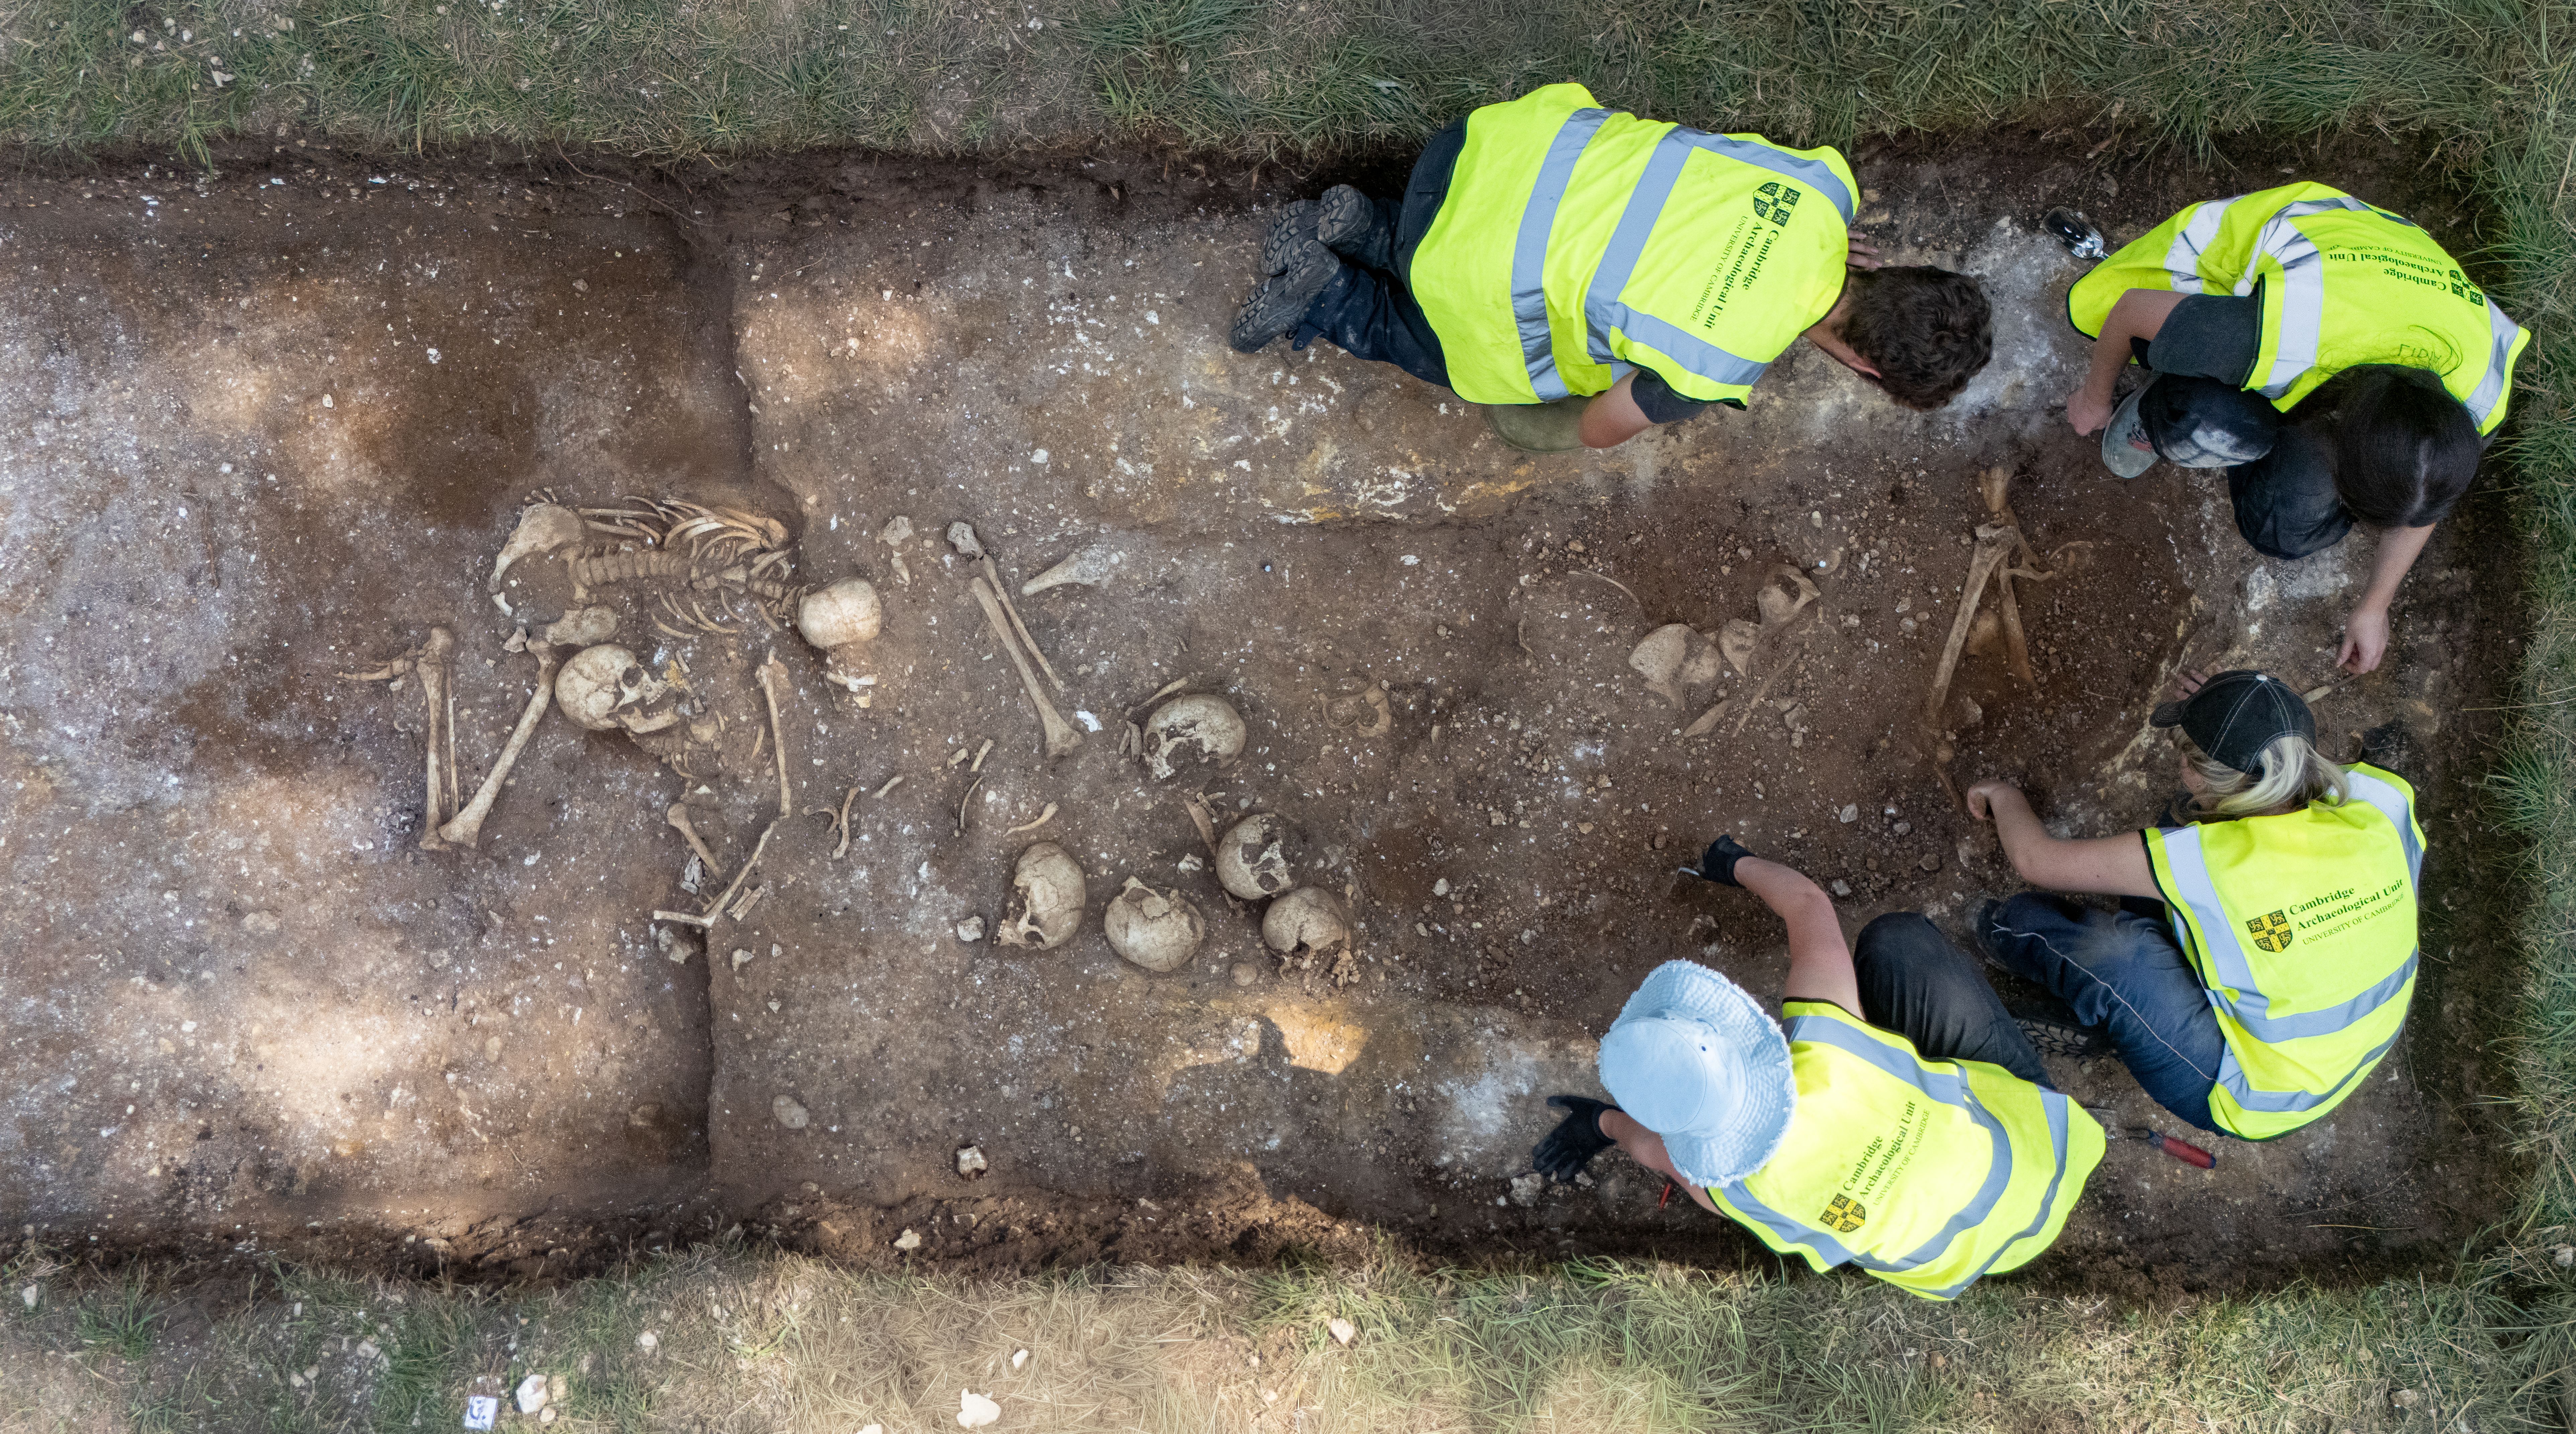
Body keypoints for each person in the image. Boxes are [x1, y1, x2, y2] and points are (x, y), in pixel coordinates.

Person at [1228, 83, 1993, 450]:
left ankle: (1369, 223)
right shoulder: (1714, 365)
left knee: (1539, 240)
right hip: (1461, 260)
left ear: (1896, 272)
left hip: (1480, 148)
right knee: (1510, 373)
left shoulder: (1827, 189)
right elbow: (1599, 428)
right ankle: (1331, 294)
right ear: (1863, 368)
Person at [1530, 836, 2102, 1300]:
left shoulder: (1734, 1190)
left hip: (1957, 1262)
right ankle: (2005, 1033)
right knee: (1896, 940)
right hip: (2041, 1149)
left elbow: (1652, 1150)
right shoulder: (1826, 1045)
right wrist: (1734, 863)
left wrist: (1599, 1124)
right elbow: (1807, 904)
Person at [2055, 187, 2531, 674]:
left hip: (2382, 312)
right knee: (2207, 422)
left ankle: (2262, 421)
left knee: (2284, 528)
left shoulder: (2474, 403)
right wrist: (2094, 398)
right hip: (2294, 269)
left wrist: (2374, 605)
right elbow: (2132, 308)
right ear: (2339, 431)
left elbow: (2424, 489)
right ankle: (2160, 409)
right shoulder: (2278, 335)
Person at [1967, 668, 2424, 1141]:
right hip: (2357, 1044)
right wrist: (2235, 713)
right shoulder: (2382, 802)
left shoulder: (2215, 862)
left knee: (2112, 955)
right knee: (2183, 823)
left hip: (2257, 1096)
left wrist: (2003, 794)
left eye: (2186, 759)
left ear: (2209, 774)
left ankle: (1998, 933)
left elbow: (2035, 860)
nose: (2179, 768)